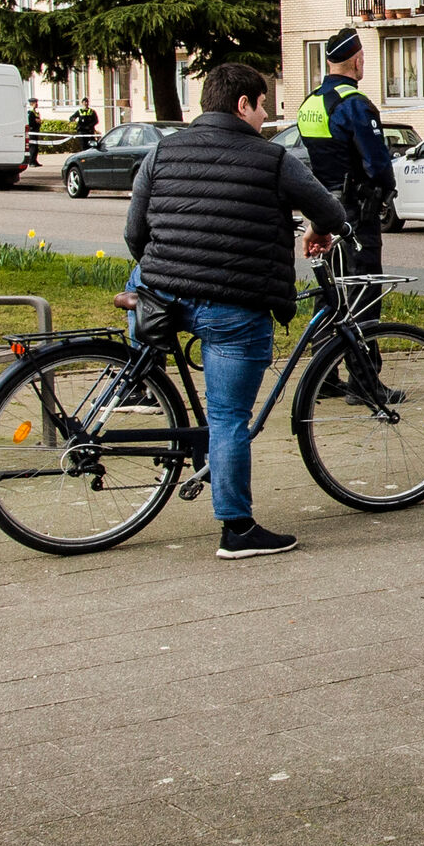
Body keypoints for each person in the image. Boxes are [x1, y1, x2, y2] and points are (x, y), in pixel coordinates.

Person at [124, 62, 348, 559]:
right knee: (227, 417)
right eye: (263, 105)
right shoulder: (272, 159)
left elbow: (134, 235)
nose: (266, 115)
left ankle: (136, 381)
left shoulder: (161, 151)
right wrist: (320, 229)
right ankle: (237, 529)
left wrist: (171, 268)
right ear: (242, 104)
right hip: (234, 306)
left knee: (143, 294)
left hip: (163, 297)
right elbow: (331, 211)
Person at [296, 29, 398, 390]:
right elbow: (376, 162)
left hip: (322, 208)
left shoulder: (309, 103)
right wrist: (386, 190)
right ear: (357, 61)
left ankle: (323, 377)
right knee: (362, 292)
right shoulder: (354, 103)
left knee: (330, 291)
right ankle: (364, 382)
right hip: (356, 211)